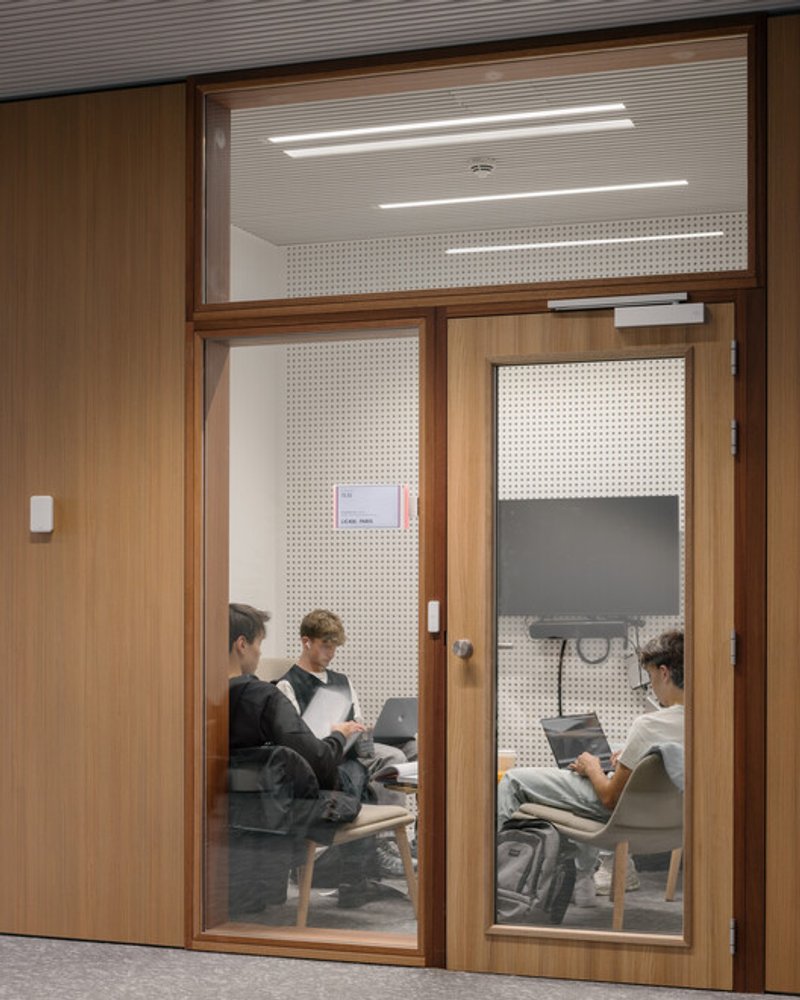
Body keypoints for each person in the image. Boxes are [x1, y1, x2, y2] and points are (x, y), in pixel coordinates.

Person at [496, 630, 685, 907]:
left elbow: (609, 799)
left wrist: (592, 767)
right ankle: (582, 879)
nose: (652, 686)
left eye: (651, 677)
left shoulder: (648, 724)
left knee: (513, 781)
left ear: (664, 673)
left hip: (625, 818)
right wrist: (631, 759)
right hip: (672, 822)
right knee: (573, 786)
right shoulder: (708, 719)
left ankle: (506, 887)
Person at [228, 603, 371, 910]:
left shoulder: (200, 694)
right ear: (242, 645)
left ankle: (356, 869)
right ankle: (353, 870)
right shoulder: (268, 697)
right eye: (259, 645)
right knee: (357, 778)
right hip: (286, 803)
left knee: (363, 770)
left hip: (237, 807)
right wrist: (337, 736)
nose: (260, 654)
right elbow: (318, 760)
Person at [277, 608, 415, 877]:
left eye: (335, 647)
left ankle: (399, 838)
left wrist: (362, 728)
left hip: (352, 746)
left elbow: (357, 717)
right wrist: (335, 731)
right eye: (326, 646)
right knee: (394, 760)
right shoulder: (288, 685)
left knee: (411, 749)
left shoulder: (343, 681)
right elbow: (297, 737)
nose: (331, 653)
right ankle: (385, 843)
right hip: (323, 752)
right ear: (307, 642)